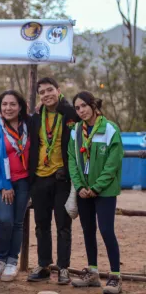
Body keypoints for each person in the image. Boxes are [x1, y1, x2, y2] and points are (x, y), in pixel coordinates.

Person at [68, 91, 123, 294]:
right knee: (88, 230)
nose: (81, 110)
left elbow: (113, 163)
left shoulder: (110, 129)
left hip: (105, 190)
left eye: (84, 106)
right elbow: (72, 160)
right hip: (84, 190)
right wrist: (80, 186)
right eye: (77, 107)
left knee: (106, 230)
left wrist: (96, 187)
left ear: (93, 105)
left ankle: (115, 276)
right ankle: (92, 273)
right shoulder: (75, 131)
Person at [27, 77, 80, 285]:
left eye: (50, 90)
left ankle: (63, 268)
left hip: (62, 177)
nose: (46, 94)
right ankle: (43, 265)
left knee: (63, 224)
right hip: (39, 176)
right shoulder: (36, 117)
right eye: (42, 92)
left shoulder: (69, 113)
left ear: (58, 90)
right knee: (41, 224)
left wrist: (68, 171)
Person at [0, 90, 31, 282]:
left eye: (12, 104)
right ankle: (0, 258)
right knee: (4, 220)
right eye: (4, 104)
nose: (8, 108)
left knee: (18, 222)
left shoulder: (28, 126)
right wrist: (3, 185)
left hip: (24, 181)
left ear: (20, 107)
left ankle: (12, 261)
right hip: (1, 182)